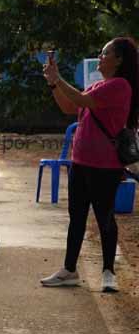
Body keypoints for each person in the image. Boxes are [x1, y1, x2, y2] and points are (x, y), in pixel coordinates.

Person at [41, 38, 138, 293]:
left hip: (105, 165)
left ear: (118, 59)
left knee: (104, 217)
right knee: (77, 218)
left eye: (105, 53)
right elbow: (69, 106)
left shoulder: (120, 86)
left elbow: (82, 100)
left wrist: (59, 77)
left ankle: (108, 271)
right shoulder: (98, 85)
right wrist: (53, 82)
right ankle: (69, 269)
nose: (100, 56)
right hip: (80, 161)